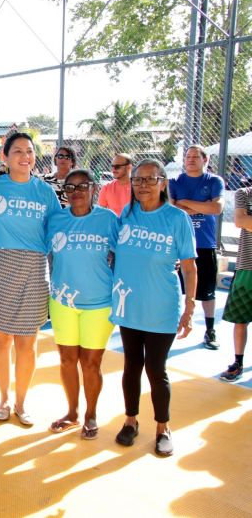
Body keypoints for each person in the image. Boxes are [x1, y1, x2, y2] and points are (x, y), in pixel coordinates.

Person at [112, 159, 196, 457]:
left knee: (155, 368)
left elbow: (189, 266)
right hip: (130, 305)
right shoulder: (128, 212)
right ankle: (131, 420)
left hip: (161, 307)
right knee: (131, 365)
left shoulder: (176, 218)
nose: (143, 185)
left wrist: (189, 306)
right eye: (138, 180)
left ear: (163, 183)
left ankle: (163, 427)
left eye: (150, 179)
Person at [0, 131, 62, 426]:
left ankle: (21, 402)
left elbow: (55, 227)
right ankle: (3, 398)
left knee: (27, 340)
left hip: (33, 267)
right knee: (0, 338)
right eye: (17, 151)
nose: (25, 156)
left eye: (29, 151)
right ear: (4, 157)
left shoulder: (44, 192)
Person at [47, 169, 118, 439]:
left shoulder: (108, 219)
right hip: (63, 302)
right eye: (70, 187)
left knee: (91, 363)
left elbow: (124, 256)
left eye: (83, 186)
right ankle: (72, 412)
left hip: (99, 304)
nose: (76, 192)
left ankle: (90, 414)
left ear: (94, 189)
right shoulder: (56, 220)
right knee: (67, 360)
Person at [169, 145, 224, 350]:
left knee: (206, 291)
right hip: (177, 244)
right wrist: (201, 205)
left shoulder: (214, 181)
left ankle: (210, 330)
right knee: (174, 288)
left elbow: (216, 208)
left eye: (195, 157)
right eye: (188, 156)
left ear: (205, 160)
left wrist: (185, 203)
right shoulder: (175, 182)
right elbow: (171, 209)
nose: (190, 159)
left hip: (204, 244)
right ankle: (169, 325)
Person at [219, 183, 252, 382]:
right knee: (241, 319)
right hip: (246, 267)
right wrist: (246, 221)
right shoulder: (244, 193)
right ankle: (238, 362)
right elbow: (240, 220)